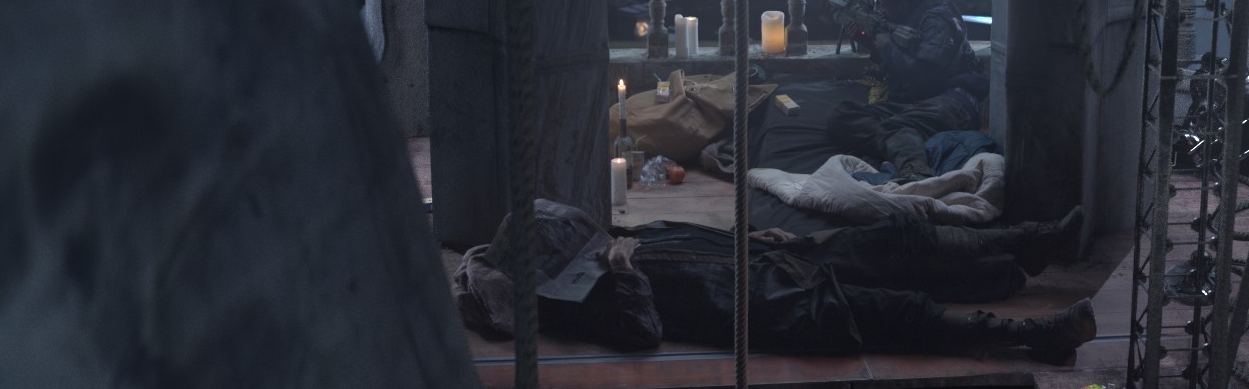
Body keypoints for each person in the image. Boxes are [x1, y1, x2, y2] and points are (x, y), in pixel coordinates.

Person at [455, 200, 1094, 361]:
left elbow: (689, 239)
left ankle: (1031, 242)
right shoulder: (587, 300)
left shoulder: (618, 238)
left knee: (893, 235)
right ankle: (1033, 336)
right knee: (894, 308)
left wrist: (758, 237)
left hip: (774, 260)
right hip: (774, 299)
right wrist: (624, 275)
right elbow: (643, 334)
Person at [830, 0, 990, 184]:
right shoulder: (909, 16)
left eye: (884, 6)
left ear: (902, 6)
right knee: (843, 115)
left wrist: (887, 47)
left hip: (952, 101)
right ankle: (901, 146)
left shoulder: (937, 22)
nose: (881, 12)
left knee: (894, 127)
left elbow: (925, 79)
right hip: (916, 103)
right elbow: (904, 66)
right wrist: (871, 43)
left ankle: (916, 175)